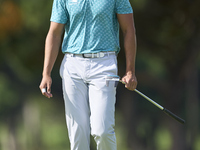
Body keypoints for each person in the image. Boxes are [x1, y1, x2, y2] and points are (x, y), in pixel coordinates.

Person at [39, 0, 137, 149]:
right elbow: (54, 33)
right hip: (72, 65)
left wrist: (130, 71)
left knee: (102, 130)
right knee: (78, 132)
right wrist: (46, 73)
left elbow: (128, 30)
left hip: (104, 64)